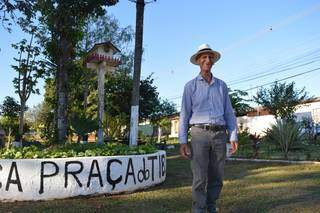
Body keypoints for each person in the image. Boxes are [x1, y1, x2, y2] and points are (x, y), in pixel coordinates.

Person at [178, 44, 238, 213]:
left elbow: (228, 112)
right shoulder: (190, 86)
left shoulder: (221, 86)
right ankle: (198, 209)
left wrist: (233, 136)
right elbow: (184, 114)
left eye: (210, 57)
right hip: (199, 134)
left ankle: (211, 207)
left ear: (213, 61)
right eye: (203, 57)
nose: (207, 60)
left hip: (220, 134)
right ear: (198, 61)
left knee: (217, 176)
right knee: (199, 176)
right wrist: (183, 141)